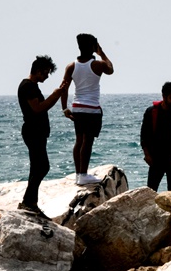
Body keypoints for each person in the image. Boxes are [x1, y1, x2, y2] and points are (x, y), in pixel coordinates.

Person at [17, 55, 67, 216]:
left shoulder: (31, 86)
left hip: (37, 132)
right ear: (38, 71)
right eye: (45, 73)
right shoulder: (28, 86)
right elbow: (38, 108)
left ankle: (31, 203)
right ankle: (28, 202)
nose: (46, 76)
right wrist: (56, 95)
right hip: (33, 132)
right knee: (42, 167)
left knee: (37, 167)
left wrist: (57, 94)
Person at [60, 33, 114, 185]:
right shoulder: (97, 65)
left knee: (79, 141)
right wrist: (101, 53)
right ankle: (83, 175)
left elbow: (63, 88)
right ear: (93, 47)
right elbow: (110, 69)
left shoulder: (71, 66)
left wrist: (65, 108)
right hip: (91, 109)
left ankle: (79, 174)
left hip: (77, 107)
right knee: (87, 141)